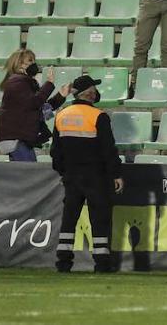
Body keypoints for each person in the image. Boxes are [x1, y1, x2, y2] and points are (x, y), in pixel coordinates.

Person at [52, 75, 123, 274]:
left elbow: (55, 152)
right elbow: (108, 150)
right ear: (90, 94)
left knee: (69, 218)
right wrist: (116, 174)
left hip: (71, 176)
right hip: (96, 176)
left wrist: (64, 172)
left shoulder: (62, 115)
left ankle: (63, 262)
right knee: (99, 219)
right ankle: (101, 263)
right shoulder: (99, 116)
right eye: (94, 89)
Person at [0, 51, 68, 162]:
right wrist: (49, 83)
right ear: (19, 64)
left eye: (34, 60)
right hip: (17, 140)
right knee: (28, 171)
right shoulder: (17, 82)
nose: (34, 63)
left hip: (21, 139)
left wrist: (60, 96)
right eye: (30, 60)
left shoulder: (25, 83)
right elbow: (34, 103)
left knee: (26, 171)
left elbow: (41, 110)